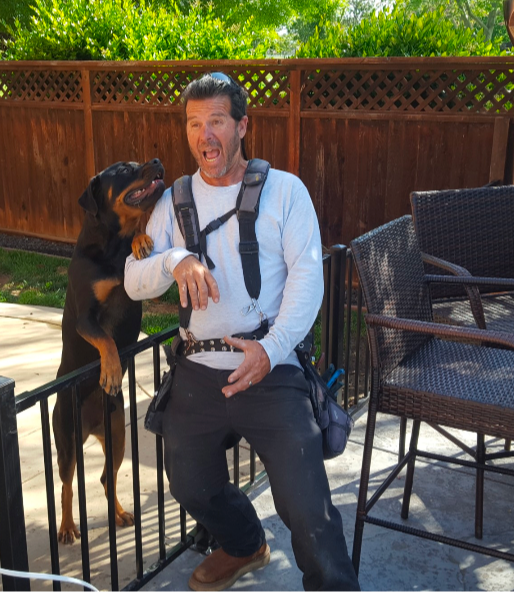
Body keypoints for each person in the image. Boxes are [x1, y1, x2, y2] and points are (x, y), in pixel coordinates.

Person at [124, 72, 360, 592]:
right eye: (194, 124)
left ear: (242, 126)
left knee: (307, 506)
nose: (204, 135)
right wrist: (175, 259)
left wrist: (271, 351)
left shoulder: (285, 192)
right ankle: (244, 543)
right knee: (190, 483)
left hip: (270, 368)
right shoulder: (173, 202)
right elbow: (134, 281)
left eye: (216, 121)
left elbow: (308, 281)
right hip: (197, 368)